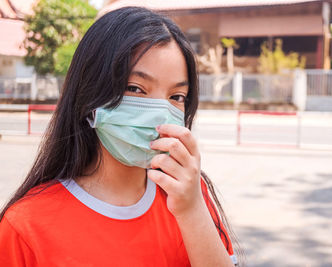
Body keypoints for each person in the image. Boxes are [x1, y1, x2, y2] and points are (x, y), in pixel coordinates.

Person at [0, 6, 239, 266]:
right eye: (135, 88)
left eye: (176, 97)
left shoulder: (189, 193)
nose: (160, 114)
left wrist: (191, 209)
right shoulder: (25, 226)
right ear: (90, 92)